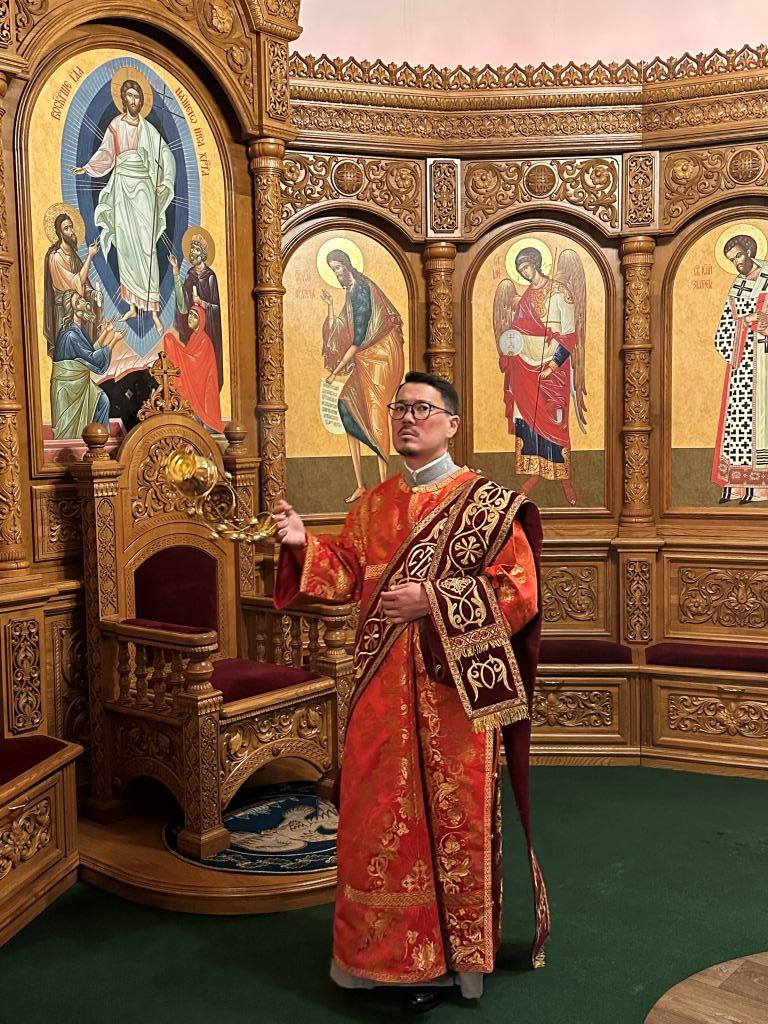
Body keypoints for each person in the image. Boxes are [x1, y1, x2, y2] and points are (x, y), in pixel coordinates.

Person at [273, 370, 550, 1011]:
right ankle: (381, 961)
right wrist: (303, 543)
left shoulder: (486, 504)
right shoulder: (373, 504)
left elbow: (518, 591)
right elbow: (346, 574)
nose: (407, 418)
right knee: (377, 822)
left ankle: (452, 965)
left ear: (451, 423)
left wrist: (433, 600)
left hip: (453, 693)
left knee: (452, 825)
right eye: (400, 408)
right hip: (380, 694)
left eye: (422, 408)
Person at [72, 78, 175, 333]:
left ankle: (153, 311)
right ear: (123, 99)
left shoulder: (148, 129)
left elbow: (166, 155)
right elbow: (106, 154)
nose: (134, 100)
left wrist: (165, 181)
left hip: (143, 189)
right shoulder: (116, 125)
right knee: (127, 246)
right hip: (121, 188)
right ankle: (131, 305)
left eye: (137, 96)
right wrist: (87, 168)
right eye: (129, 96)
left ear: (142, 100)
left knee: (147, 246)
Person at [496, 247, 582, 506]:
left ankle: (564, 478)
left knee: (555, 419)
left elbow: (569, 337)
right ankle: (534, 473)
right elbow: (516, 330)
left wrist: (553, 366)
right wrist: (510, 347)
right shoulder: (526, 297)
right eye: (521, 270)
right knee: (527, 419)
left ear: (536, 264)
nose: (525, 273)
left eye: (527, 268)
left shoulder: (561, 293)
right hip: (524, 367)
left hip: (552, 371)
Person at [322, 249, 405, 503]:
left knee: (376, 412)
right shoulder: (350, 290)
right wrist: (330, 306)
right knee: (345, 404)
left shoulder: (360, 290)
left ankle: (385, 485)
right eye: (333, 269)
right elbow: (342, 329)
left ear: (347, 265)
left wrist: (335, 372)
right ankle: (360, 484)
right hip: (365, 356)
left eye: (338, 267)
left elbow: (357, 339)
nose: (337, 273)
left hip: (381, 354)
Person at [712, 233, 768, 504]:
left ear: (750, 251)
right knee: (739, 420)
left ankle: (760, 486)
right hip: (742, 364)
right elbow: (725, 327)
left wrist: (763, 321)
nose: (737, 263)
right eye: (732, 260)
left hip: (764, 362)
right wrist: (744, 322)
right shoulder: (737, 286)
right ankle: (736, 482)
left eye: (739, 256)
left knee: (762, 421)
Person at [50, 291, 120, 439]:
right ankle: (93, 443)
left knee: (102, 400)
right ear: (74, 309)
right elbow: (92, 358)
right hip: (69, 388)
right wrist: (113, 340)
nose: (83, 301)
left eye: (81, 298)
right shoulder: (70, 335)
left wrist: (105, 333)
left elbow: (88, 352)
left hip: (78, 384)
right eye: (78, 301)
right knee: (71, 431)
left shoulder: (77, 329)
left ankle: (99, 441)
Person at [168, 233, 223, 388]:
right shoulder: (190, 275)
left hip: (208, 332)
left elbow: (216, 309)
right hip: (193, 331)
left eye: (196, 250)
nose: (193, 252)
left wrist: (202, 303)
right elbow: (183, 304)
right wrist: (176, 271)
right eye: (192, 249)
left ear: (203, 254)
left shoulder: (210, 277)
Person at [43, 212, 102, 354]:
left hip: (77, 313)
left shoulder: (73, 256)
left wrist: (94, 294)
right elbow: (76, 282)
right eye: (66, 228)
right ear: (60, 233)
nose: (71, 231)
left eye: (71, 227)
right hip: (64, 315)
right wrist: (90, 256)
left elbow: (83, 286)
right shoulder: (55, 257)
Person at [162, 305, 224, 432]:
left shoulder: (204, 341)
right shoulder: (194, 337)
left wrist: (176, 349)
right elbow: (189, 356)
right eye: (190, 314)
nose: (190, 318)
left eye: (195, 317)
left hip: (201, 385)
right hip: (196, 381)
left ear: (201, 321)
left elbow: (195, 364)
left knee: (169, 338)